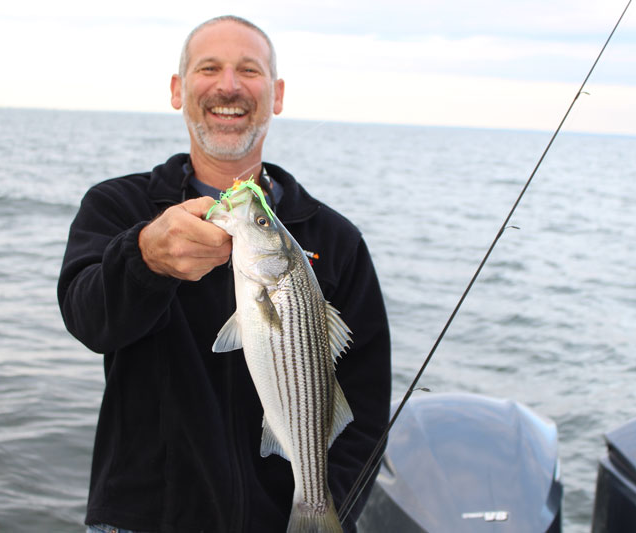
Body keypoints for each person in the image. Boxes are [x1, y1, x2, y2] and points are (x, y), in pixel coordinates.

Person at [58, 15, 391, 533]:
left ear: (276, 94)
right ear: (178, 89)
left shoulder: (336, 241)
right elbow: (87, 320)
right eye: (209, 67)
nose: (229, 85)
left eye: (249, 70)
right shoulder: (118, 207)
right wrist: (143, 258)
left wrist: (326, 508)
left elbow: (365, 408)